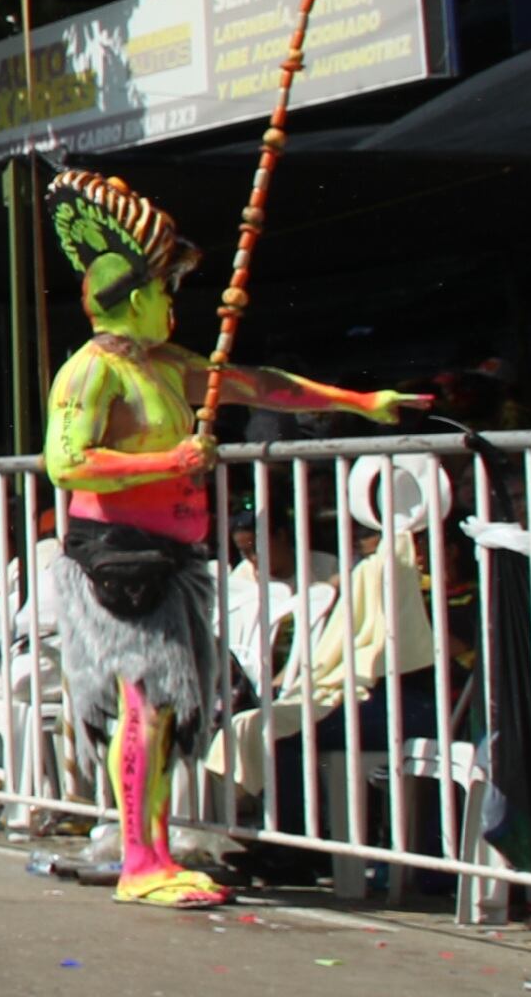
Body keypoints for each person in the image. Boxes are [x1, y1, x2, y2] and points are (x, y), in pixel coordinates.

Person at [35, 169, 423, 907]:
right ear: (134, 298)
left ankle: (148, 850)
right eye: (163, 290)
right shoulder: (88, 373)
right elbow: (66, 460)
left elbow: (257, 383)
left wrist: (359, 400)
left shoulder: (167, 368)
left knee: (163, 708)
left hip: (165, 564)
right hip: (117, 565)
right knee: (143, 705)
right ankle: (140, 860)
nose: (173, 305)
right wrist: (168, 459)